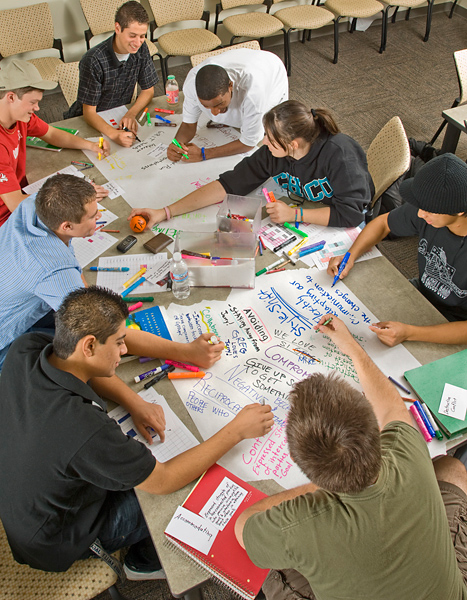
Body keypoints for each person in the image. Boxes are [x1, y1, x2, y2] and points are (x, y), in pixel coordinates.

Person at [0, 286, 273, 578]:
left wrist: (134, 401)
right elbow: (164, 480)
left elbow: (84, 369)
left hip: (25, 506)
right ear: (89, 345)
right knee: (180, 490)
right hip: (57, 538)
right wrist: (236, 431)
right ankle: (142, 560)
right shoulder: (84, 429)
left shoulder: (27, 348)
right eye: (118, 343)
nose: (124, 350)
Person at [234, 314, 467, 600]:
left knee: (272, 571)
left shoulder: (303, 522)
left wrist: (317, 488)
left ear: (302, 464)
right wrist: (353, 349)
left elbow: (244, 526)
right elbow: (392, 406)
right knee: (450, 468)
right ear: (374, 430)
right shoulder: (407, 447)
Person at [0, 173, 222, 372]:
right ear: (66, 226)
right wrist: (187, 352)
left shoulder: (35, 203)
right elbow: (106, 330)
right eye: (93, 216)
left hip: (17, 296)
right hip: (7, 338)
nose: (99, 218)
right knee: (87, 354)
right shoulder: (54, 269)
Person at [132, 101, 374, 229]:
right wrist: (165, 212)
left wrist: (294, 215)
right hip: (311, 211)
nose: (263, 142)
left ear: (293, 144)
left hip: (344, 223)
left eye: (269, 137)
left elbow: (351, 214)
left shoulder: (340, 154)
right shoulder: (273, 153)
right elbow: (227, 185)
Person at [328, 153, 467, 347]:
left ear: (459, 210)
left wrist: (409, 333)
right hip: (421, 294)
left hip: (455, 325)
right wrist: (350, 256)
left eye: (427, 210)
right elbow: (383, 224)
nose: (420, 213)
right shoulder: (430, 208)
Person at [0, 59, 110, 227]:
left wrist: (90, 145)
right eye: (32, 102)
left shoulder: (20, 117)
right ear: (11, 97)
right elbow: (16, 205)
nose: (37, 108)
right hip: (8, 217)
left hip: (22, 192)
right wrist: (77, 196)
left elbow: (51, 133)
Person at [167, 48, 288, 163]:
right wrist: (176, 144)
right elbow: (188, 124)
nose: (214, 113)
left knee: (271, 126)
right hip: (244, 62)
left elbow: (249, 143)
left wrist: (203, 154)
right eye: (205, 106)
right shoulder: (191, 85)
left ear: (230, 86)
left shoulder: (253, 93)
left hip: (269, 69)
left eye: (219, 104)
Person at [64, 1, 158, 148]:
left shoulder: (141, 48)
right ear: (117, 28)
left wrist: (131, 114)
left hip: (120, 112)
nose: (138, 42)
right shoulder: (93, 60)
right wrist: (114, 134)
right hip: (90, 119)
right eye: (132, 35)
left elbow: (148, 90)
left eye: (142, 36)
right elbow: (89, 112)